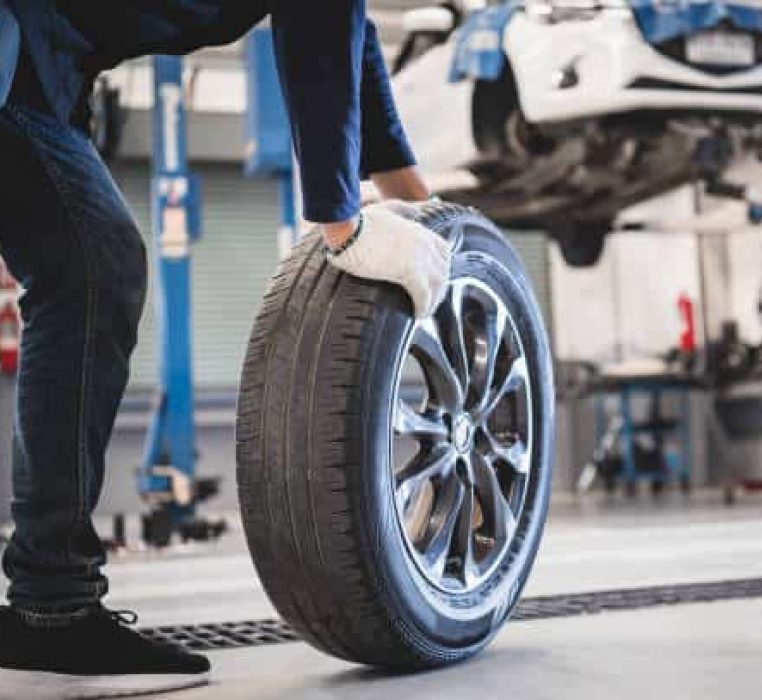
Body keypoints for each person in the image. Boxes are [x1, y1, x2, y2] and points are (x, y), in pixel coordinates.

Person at [0, 1, 451, 696]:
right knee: (90, 270)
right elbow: (322, 31)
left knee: (89, 269)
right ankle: (50, 601)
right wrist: (343, 225)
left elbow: (346, 34)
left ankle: (50, 603)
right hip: (18, 44)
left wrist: (423, 209)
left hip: (42, 67)